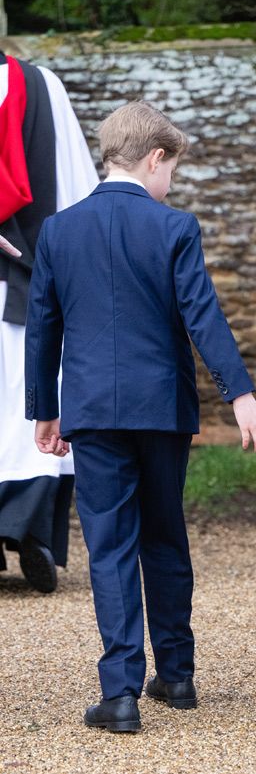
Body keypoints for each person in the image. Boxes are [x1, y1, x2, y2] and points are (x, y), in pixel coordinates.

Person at [24, 100, 256, 733]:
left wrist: (44, 411)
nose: (172, 186)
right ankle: (179, 674)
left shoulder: (58, 231)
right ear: (155, 158)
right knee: (165, 535)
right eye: (173, 170)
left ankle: (119, 694)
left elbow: (42, 329)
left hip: (91, 410)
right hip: (161, 408)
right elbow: (203, 318)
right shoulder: (174, 227)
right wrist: (240, 395)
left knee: (109, 547)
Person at [1, 51, 99, 593]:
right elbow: (76, 186)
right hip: (29, 272)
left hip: (25, 279)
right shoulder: (42, 86)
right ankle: (30, 531)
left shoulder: (42, 85)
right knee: (26, 408)